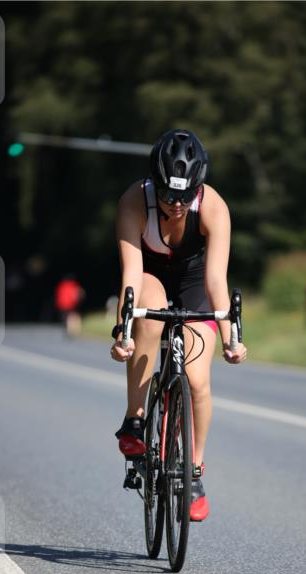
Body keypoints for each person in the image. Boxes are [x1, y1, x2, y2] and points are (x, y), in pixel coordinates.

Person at [110, 128, 247, 521]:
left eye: (185, 198)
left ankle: (194, 473)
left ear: (198, 188)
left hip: (195, 282)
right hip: (150, 275)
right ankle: (135, 421)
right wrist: (124, 331)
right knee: (148, 312)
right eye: (169, 197)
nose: (176, 206)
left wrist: (230, 339)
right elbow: (131, 275)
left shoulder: (215, 209)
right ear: (155, 182)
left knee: (197, 379)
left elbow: (217, 280)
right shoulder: (134, 201)